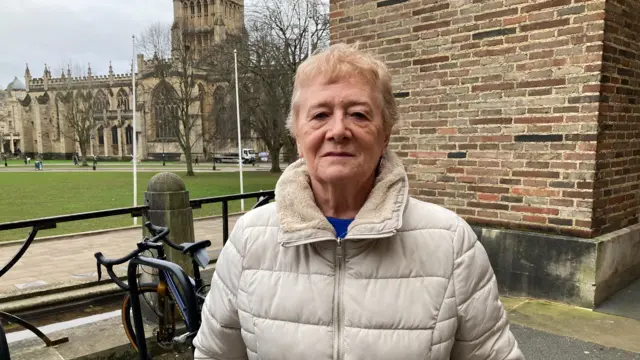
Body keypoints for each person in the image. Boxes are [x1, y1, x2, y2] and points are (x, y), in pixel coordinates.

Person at [193, 43, 524, 360]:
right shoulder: (250, 240)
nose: (338, 130)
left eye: (359, 115)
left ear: (385, 135)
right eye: (320, 114)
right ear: (297, 134)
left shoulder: (450, 244)